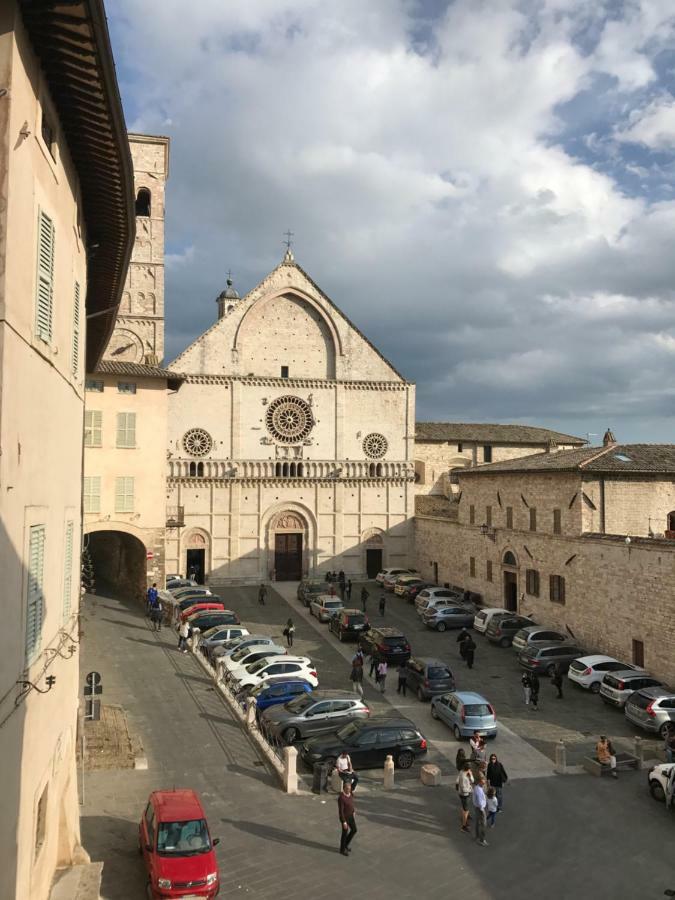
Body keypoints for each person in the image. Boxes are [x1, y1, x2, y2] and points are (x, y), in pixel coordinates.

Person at [337, 781, 357, 856]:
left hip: (351, 816)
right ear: (344, 789)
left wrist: (353, 810)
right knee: (344, 833)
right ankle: (342, 849)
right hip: (345, 817)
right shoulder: (341, 798)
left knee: (354, 830)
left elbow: (352, 802)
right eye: (348, 789)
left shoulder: (351, 794)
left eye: (350, 788)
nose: (349, 790)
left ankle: (345, 844)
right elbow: (341, 811)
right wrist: (344, 822)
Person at [455, 761, 474, 832]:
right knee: (465, 810)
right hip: (465, 795)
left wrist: (470, 775)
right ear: (468, 769)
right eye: (470, 769)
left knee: (465, 807)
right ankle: (464, 826)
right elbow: (463, 788)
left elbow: (472, 780)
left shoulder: (462, 772)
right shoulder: (463, 777)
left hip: (462, 793)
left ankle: (465, 817)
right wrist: (470, 789)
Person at [472, 776, 488, 846]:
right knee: (483, 824)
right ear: (479, 782)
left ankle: (477, 836)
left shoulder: (476, 787)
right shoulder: (478, 790)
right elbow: (479, 800)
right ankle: (482, 840)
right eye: (482, 782)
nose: (484, 784)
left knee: (477, 822)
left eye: (484, 782)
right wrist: (482, 809)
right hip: (480, 808)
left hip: (476, 807)